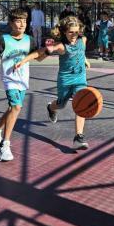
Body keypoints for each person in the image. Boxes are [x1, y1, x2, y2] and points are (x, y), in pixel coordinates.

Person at [14, 15, 90, 150]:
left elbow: (81, 52)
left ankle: (78, 137)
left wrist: (85, 59)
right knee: (60, 105)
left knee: (81, 104)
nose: (74, 35)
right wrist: (24, 61)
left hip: (80, 78)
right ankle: (51, 108)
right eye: (70, 32)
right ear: (64, 32)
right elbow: (40, 53)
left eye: (76, 32)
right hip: (65, 80)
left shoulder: (83, 40)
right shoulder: (61, 46)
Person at [0, 8, 37, 162]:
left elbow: (38, 57)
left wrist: (48, 50)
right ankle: (5, 144)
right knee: (17, 107)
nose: (22, 23)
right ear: (11, 23)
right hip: (9, 79)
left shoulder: (30, 40)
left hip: (23, 80)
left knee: (12, 109)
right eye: (18, 20)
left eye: (24, 20)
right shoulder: (4, 39)